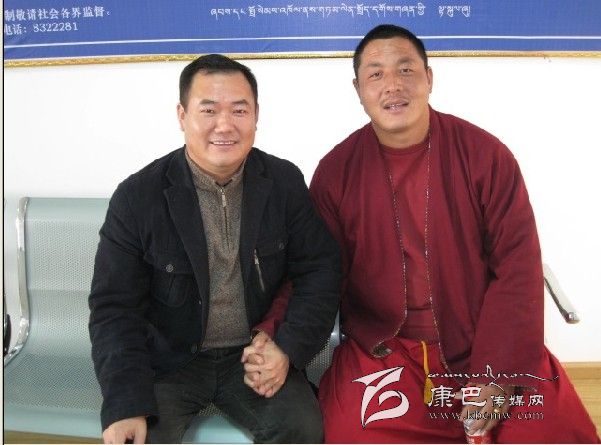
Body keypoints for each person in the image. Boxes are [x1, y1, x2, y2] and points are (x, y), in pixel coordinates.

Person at [307, 24, 600, 443]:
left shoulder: (485, 156)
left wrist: (498, 376)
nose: (393, 85)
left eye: (406, 70)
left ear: (429, 78)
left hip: (486, 339)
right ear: (358, 89)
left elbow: (517, 267)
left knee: (550, 432)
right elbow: (318, 275)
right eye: (376, 74)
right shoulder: (336, 172)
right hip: (387, 350)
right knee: (354, 433)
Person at [88, 54, 340, 444]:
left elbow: (319, 271)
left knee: (302, 429)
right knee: (139, 438)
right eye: (208, 110)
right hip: (169, 362)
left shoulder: (283, 182)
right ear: (182, 115)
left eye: (239, 110)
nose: (225, 125)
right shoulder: (138, 197)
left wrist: (286, 348)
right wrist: (124, 403)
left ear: (256, 115)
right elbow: (114, 307)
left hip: (252, 358)